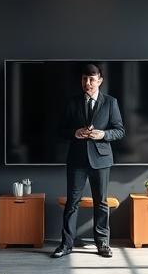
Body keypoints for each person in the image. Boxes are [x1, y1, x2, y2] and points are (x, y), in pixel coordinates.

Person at [51, 63, 125, 259]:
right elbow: (60, 130)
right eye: (85, 79)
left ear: (100, 80)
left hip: (101, 159)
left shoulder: (110, 102)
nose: (88, 83)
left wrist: (103, 134)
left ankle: (102, 244)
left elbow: (120, 130)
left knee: (101, 203)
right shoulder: (72, 102)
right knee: (72, 203)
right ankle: (66, 245)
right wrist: (74, 133)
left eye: (92, 79)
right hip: (76, 159)